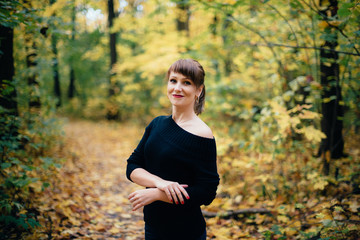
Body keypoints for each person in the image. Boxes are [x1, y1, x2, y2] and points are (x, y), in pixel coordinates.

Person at [126, 59, 220, 240]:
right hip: (153, 227)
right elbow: (132, 166)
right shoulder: (157, 124)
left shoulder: (202, 134)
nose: (177, 88)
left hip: (185, 232)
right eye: (173, 80)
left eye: (187, 83)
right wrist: (160, 182)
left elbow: (206, 192)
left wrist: (158, 194)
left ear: (198, 90)